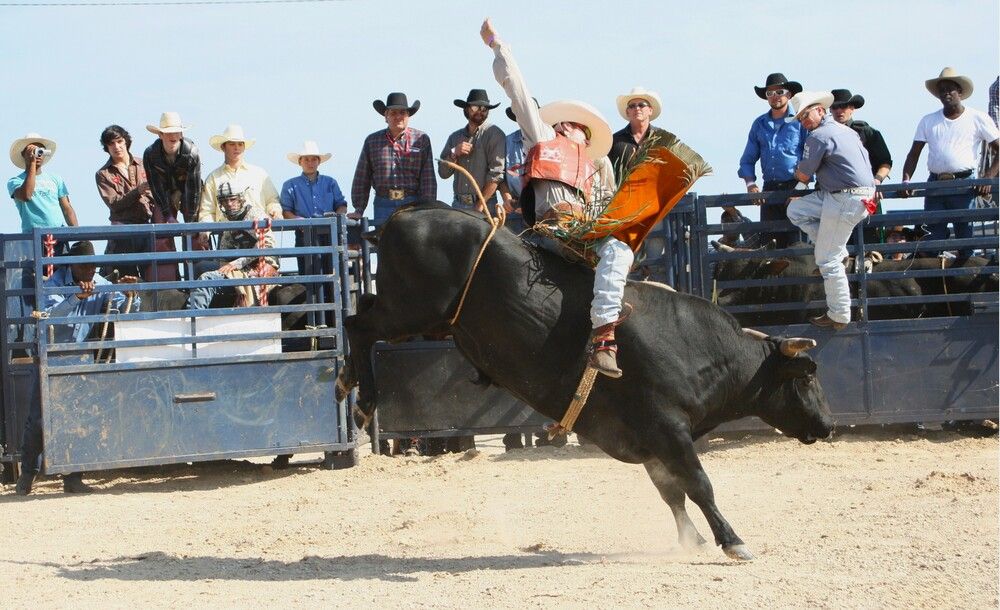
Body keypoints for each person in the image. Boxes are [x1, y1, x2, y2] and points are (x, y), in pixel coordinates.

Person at [483, 19, 629, 377]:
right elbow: (518, 91)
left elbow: (611, 207)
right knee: (617, 250)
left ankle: (601, 339)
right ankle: (605, 338)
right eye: (579, 126)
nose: (581, 132)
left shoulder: (596, 168)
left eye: (584, 129)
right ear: (564, 126)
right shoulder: (542, 139)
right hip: (551, 233)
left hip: (579, 237)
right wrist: (500, 48)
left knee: (619, 249)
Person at [15, 240, 140, 495]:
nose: (90, 272)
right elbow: (49, 316)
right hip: (50, 355)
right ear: (73, 265)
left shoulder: (100, 284)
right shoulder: (53, 284)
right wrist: (76, 298)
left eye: (93, 267)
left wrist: (131, 294)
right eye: (85, 267)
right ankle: (28, 473)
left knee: (78, 418)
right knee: (39, 421)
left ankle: (72, 477)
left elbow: (128, 309)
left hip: (80, 357)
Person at [784, 91, 876, 330]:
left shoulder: (818, 136)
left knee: (827, 259)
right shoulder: (848, 131)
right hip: (856, 195)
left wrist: (798, 177)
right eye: (801, 117)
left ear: (820, 111)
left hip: (843, 197)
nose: (804, 121)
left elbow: (804, 174)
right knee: (796, 210)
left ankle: (839, 314)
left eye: (806, 115)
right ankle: (839, 251)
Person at [901, 68, 999, 258]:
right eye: (942, 90)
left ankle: (966, 281)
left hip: (964, 184)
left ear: (960, 92)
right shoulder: (928, 120)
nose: (946, 93)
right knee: (933, 238)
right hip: (935, 184)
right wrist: (906, 180)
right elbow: (913, 154)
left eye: (950, 89)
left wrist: (987, 177)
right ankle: (936, 283)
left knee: (965, 237)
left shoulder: (977, 118)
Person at [608, 86, 678, 280]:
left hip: (655, 208)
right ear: (627, 112)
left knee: (657, 259)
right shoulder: (614, 142)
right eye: (632, 105)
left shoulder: (664, 140)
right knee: (628, 259)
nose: (637, 108)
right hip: (625, 208)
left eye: (641, 104)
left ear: (650, 110)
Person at [738, 73, 808, 248]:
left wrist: (800, 189)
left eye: (780, 91)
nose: (775, 96)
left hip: (796, 188)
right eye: (770, 93)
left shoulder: (801, 121)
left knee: (797, 245)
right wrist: (751, 185)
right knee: (770, 247)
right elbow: (747, 160)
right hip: (769, 190)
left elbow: (812, 158)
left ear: (789, 94)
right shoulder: (759, 124)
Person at [348, 92, 437, 224]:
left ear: (408, 116)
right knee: (384, 243)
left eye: (402, 113)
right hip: (383, 204)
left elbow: (428, 178)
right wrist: (359, 209)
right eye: (393, 113)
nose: (398, 117)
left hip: (412, 203)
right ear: (386, 116)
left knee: (411, 244)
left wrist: (428, 208)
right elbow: (362, 177)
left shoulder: (421, 139)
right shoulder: (372, 141)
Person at [186, 183, 278, 310]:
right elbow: (225, 248)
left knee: (207, 278)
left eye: (233, 199)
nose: (229, 204)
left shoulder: (255, 216)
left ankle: (193, 316)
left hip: (258, 266)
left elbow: (266, 245)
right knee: (200, 266)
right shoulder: (229, 221)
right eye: (224, 201)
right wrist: (225, 264)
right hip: (238, 266)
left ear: (241, 199)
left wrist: (235, 264)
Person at [197, 124, 282, 250]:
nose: (237, 148)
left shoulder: (259, 174)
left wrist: (275, 210)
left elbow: (272, 200)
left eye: (240, 144)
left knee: (261, 269)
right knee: (227, 269)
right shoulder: (213, 178)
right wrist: (205, 232)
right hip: (227, 237)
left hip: (259, 234)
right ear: (223, 147)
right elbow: (207, 212)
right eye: (232, 144)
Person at [96, 125, 156, 279]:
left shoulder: (144, 163)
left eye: (119, 141)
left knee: (151, 276)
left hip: (147, 226)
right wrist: (138, 191)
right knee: (125, 280)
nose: (116, 147)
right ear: (106, 147)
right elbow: (114, 203)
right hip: (122, 231)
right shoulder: (103, 174)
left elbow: (159, 193)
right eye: (111, 144)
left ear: (126, 141)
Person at [280, 140, 347, 276]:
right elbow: (286, 212)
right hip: (304, 233)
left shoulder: (330, 182)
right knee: (307, 273)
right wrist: (300, 221)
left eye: (313, 159)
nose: (310, 163)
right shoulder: (290, 185)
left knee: (331, 272)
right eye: (306, 160)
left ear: (318, 161)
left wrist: (335, 218)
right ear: (300, 162)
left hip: (329, 233)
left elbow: (342, 205)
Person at [438, 89, 506, 212]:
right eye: (475, 107)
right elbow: (443, 173)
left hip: (485, 206)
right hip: (458, 205)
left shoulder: (494, 134)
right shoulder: (454, 137)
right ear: (466, 109)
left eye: (484, 108)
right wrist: (454, 153)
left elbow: (496, 175)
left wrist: (480, 205)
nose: (480, 111)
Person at [8, 132, 78, 237]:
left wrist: (78, 234)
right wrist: (32, 163)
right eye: (33, 151)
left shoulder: (55, 179)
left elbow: (67, 208)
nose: (38, 154)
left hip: (58, 236)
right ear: (23, 154)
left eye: (41, 151)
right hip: (32, 237)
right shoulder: (15, 181)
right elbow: (26, 195)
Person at [142, 112, 202, 224]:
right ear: (160, 134)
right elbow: (156, 187)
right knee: (161, 234)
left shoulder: (192, 154)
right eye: (168, 132)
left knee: (196, 235)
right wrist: (167, 215)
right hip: (164, 194)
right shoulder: (150, 155)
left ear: (181, 134)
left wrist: (191, 221)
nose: (173, 136)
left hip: (189, 193)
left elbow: (194, 189)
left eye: (176, 132)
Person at [498, 99, 539, 233]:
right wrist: (507, 199)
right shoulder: (506, 142)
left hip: (541, 213)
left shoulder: (548, 141)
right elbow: (500, 176)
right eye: (521, 114)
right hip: (514, 213)